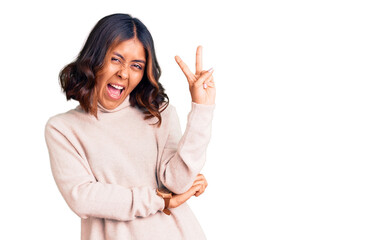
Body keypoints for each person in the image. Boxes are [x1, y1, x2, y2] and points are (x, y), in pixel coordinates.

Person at [44, 13, 216, 240]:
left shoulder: (159, 114)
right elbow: (83, 197)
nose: (124, 73)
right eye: (115, 59)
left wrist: (201, 109)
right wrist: (161, 199)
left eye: (136, 65)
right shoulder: (63, 129)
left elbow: (177, 182)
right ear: (94, 59)